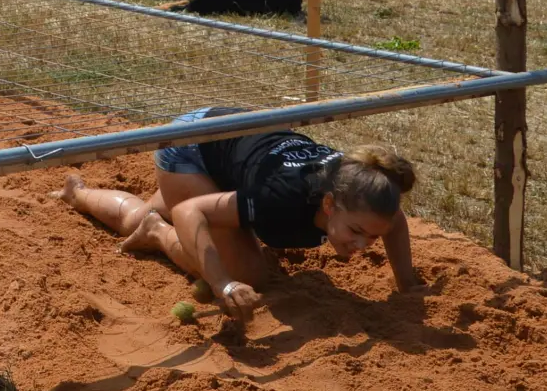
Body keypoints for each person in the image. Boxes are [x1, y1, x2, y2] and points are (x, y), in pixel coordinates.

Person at [52, 110, 422, 324]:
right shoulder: (281, 199)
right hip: (192, 146)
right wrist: (223, 285)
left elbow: (394, 220)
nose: (362, 244)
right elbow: (188, 209)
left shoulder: (361, 188)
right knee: (249, 272)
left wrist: (407, 285)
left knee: (136, 220)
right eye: (357, 231)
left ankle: (78, 194)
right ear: (328, 205)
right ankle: (157, 233)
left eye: (373, 237)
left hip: (233, 150)